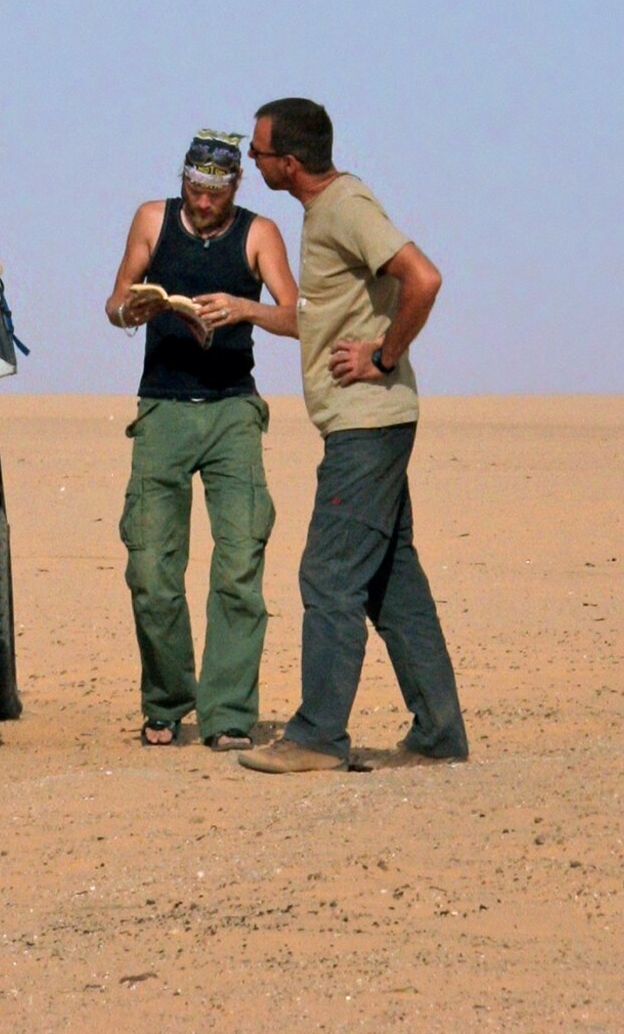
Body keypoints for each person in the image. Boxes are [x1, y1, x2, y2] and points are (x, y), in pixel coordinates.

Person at [237, 97, 469, 775]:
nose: (252, 165)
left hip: (368, 426)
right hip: (368, 426)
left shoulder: (345, 207)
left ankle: (316, 737)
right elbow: (320, 320)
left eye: (258, 154)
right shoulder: (323, 215)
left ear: (289, 160)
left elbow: (422, 278)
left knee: (330, 573)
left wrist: (384, 356)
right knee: (390, 583)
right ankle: (438, 734)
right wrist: (249, 311)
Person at [104, 128, 299, 749]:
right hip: (161, 410)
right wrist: (131, 310)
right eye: (193, 187)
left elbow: (297, 316)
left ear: (234, 186)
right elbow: (114, 301)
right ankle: (165, 703)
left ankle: (230, 716)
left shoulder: (259, 232)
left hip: (232, 413)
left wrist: (244, 310)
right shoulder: (152, 219)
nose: (202, 200)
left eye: (214, 191)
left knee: (240, 565)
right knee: (152, 567)